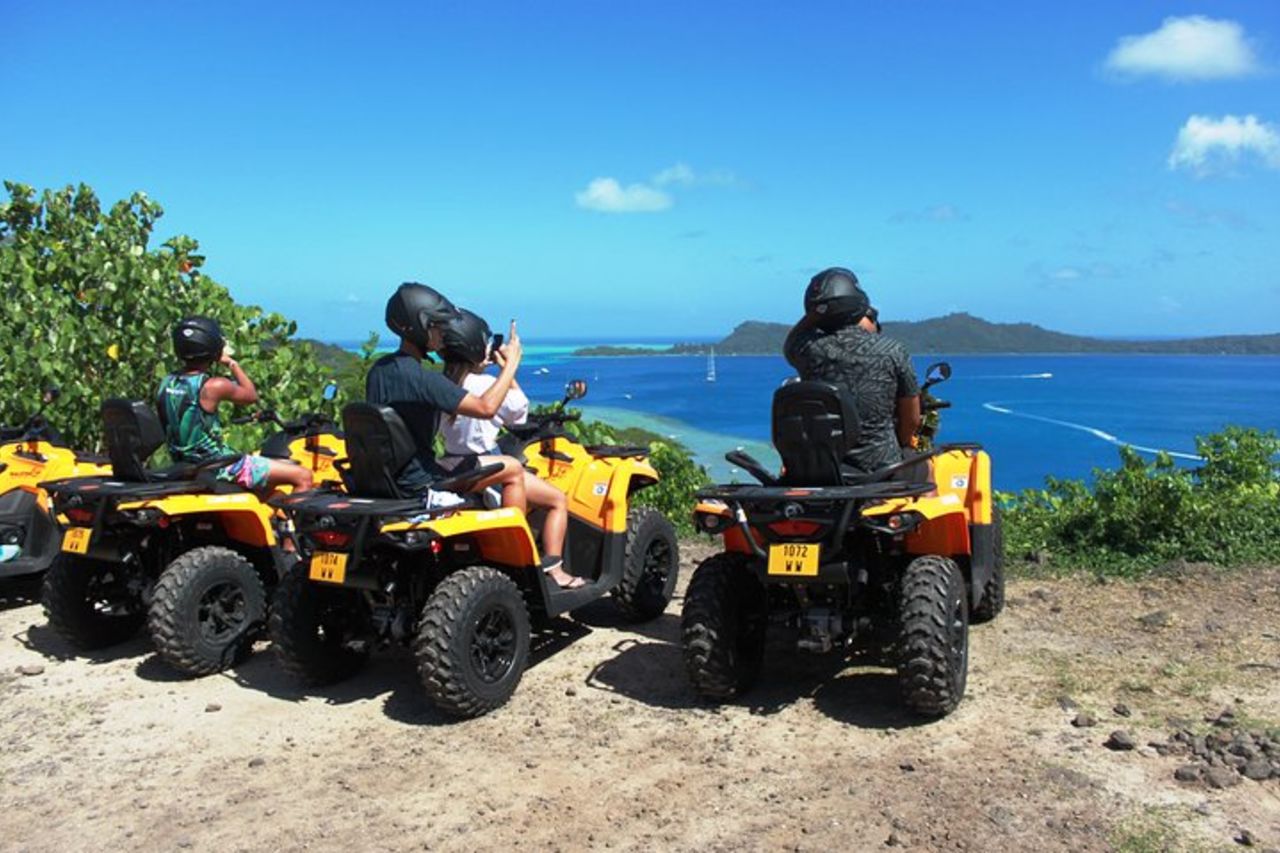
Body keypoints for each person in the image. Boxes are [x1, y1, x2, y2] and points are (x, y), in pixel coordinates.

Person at [367, 284, 567, 568]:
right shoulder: (422, 379)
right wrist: (511, 364)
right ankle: (518, 561)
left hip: (390, 479)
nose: (441, 335)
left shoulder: (379, 370)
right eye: (437, 327)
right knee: (512, 467)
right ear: (420, 327)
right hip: (419, 484)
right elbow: (486, 408)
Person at [436, 309, 581, 589]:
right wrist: (509, 367)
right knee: (557, 500)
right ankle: (554, 569)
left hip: (450, 466)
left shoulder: (441, 385)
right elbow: (519, 413)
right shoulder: (486, 384)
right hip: (486, 467)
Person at [783, 268, 921, 473]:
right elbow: (911, 418)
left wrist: (817, 313)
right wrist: (903, 444)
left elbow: (793, 339)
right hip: (879, 469)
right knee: (927, 469)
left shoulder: (807, 350)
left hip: (821, 469)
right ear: (858, 302)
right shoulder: (892, 351)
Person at [157, 316, 313, 494]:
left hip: (185, 464)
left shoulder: (166, 383)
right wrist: (232, 364)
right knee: (303, 475)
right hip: (219, 465)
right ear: (213, 348)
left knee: (272, 472)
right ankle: (298, 519)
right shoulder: (214, 386)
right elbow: (251, 395)